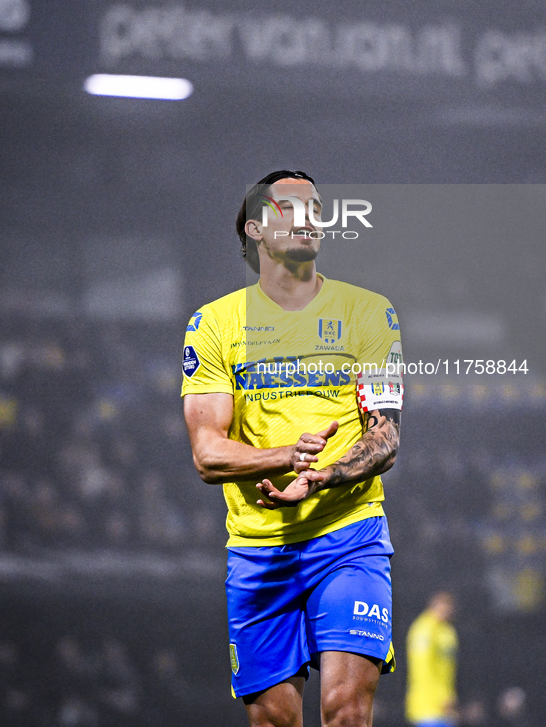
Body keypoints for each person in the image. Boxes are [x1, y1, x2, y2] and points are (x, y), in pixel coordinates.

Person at [182, 171, 403, 727]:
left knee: (344, 709)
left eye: (316, 207)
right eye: (289, 206)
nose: (308, 215)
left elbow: (386, 437)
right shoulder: (213, 324)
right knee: (273, 722)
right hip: (260, 551)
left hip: (347, 536)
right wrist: (286, 457)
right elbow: (208, 453)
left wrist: (323, 476)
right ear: (256, 229)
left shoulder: (370, 313)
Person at [405, 591, 458, 727]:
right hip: (427, 706)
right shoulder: (423, 630)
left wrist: (449, 696)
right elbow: (421, 668)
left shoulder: (447, 630)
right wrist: (441, 697)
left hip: (445, 706)